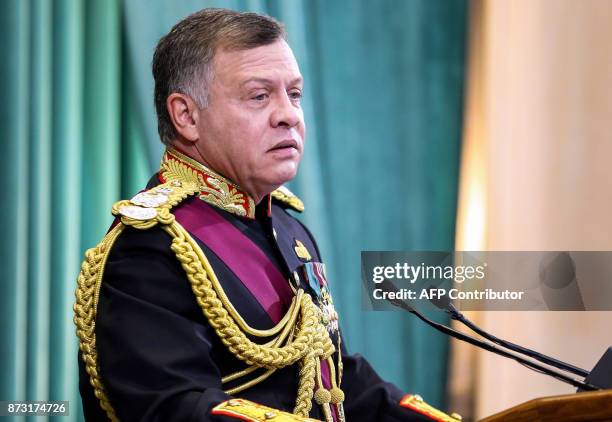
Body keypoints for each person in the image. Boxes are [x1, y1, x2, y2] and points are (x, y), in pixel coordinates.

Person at [74, 8, 460, 422]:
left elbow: (335, 382)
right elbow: (177, 408)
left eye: (294, 94)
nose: (289, 115)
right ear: (186, 116)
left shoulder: (287, 227)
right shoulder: (150, 247)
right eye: (259, 96)